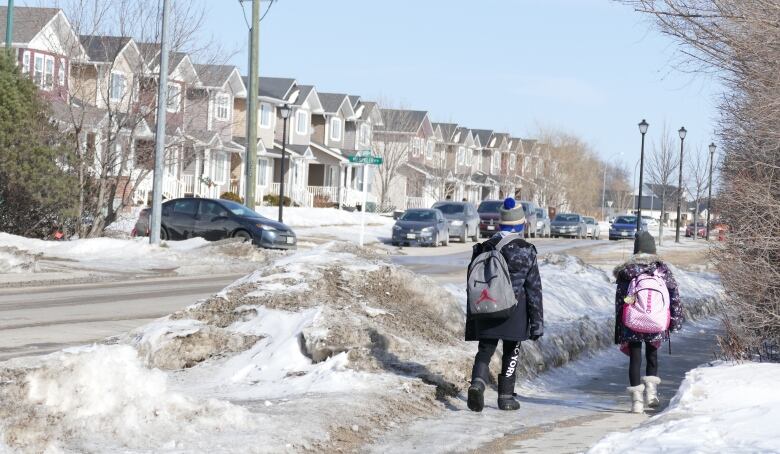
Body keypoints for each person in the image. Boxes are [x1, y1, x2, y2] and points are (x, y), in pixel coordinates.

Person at [465, 197, 544, 412]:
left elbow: (472, 283)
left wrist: (472, 316)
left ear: (501, 224)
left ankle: (477, 384)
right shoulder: (526, 250)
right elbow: (533, 288)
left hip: (486, 307)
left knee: (485, 350)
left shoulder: (484, 247)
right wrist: (537, 323)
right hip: (514, 312)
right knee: (512, 351)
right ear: (520, 225)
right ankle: (506, 397)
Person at [614, 231, 683, 413]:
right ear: (653, 250)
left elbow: (621, 301)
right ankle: (651, 394)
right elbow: (674, 297)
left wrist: (620, 327)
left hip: (633, 321)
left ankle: (636, 401)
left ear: (636, 250)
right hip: (657, 320)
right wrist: (674, 321)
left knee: (635, 358)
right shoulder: (662, 271)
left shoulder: (627, 272)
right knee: (652, 356)